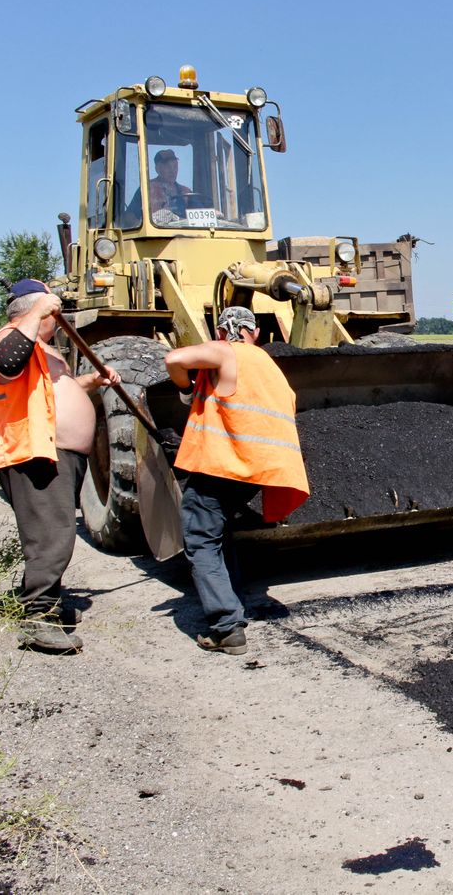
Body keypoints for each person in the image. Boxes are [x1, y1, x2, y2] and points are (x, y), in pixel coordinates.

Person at [0, 279, 119, 653]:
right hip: (34, 451)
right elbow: (2, 368)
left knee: (54, 533)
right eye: (51, 310)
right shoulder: (9, 337)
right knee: (51, 536)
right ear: (35, 306)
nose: (57, 318)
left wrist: (88, 382)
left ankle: (46, 604)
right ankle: (37, 617)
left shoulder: (41, 347)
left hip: (57, 453)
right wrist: (37, 311)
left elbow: (52, 391)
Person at [165, 307, 309, 655]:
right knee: (219, 531)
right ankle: (234, 595)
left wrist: (185, 389)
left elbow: (174, 358)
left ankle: (226, 627)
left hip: (222, 464)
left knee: (200, 538)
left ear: (220, 331)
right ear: (256, 332)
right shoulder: (270, 367)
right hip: (257, 470)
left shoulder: (225, 351)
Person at [148, 149, 191, 223]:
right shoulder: (147, 189)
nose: (172, 171)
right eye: (168, 167)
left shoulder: (186, 192)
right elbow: (130, 217)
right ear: (157, 169)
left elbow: (200, 210)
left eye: (175, 166)